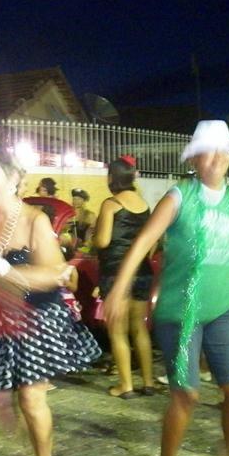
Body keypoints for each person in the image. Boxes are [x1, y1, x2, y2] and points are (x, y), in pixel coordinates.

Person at [104, 120, 229, 456]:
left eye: (222, 150)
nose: (216, 157)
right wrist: (118, 289)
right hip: (181, 310)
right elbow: (143, 242)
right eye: (208, 151)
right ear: (194, 159)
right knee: (186, 394)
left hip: (223, 309)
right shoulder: (179, 196)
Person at [0, 131, 100, 456]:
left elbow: (55, 272)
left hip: (36, 319)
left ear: (14, 178)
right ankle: (27, 448)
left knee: (31, 398)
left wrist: (4, 273)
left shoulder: (35, 221)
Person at [93, 157, 155, 398]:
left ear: (112, 178)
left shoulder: (111, 204)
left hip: (115, 273)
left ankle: (126, 386)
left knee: (117, 331)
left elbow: (103, 241)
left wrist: (93, 235)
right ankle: (148, 382)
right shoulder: (144, 204)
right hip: (142, 271)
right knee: (139, 328)